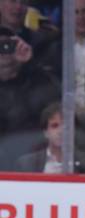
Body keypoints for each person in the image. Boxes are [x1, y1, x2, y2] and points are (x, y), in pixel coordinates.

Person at [0, 27, 60, 170]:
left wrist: (30, 64)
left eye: (9, 45)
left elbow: (52, 108)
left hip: (32, 154)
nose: (4, 51)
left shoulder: (37, 78)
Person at [15, 101, 85, 174]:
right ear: (46, 132)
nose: (61, 131)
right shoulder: (26, 164)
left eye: (67, 126)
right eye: (54, 126)